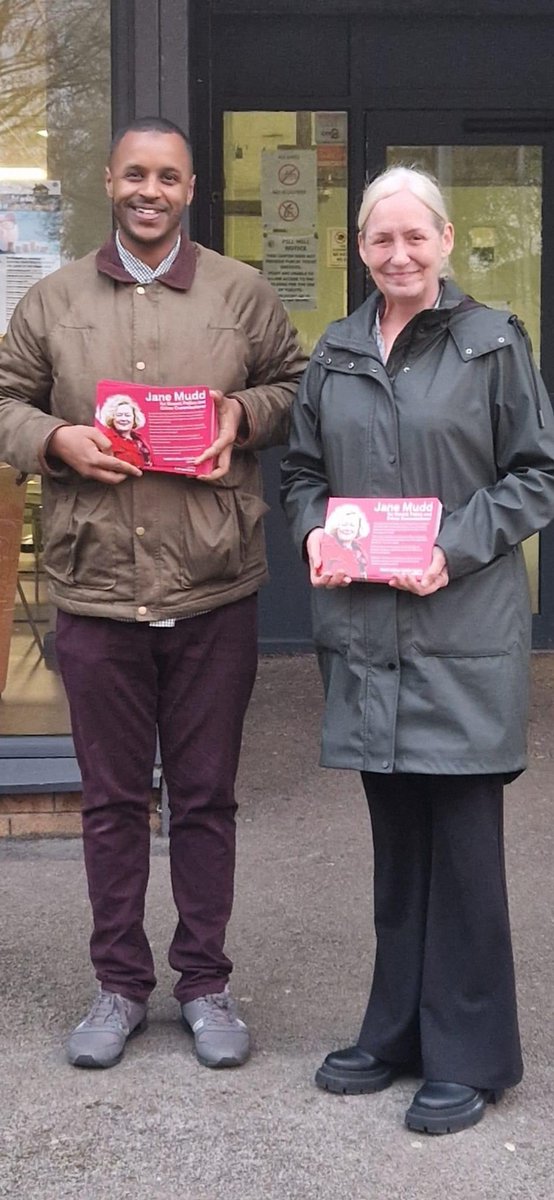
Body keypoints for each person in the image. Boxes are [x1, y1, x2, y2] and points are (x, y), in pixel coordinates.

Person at [0, 116, 306, 1071]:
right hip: (96, 590)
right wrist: (53, 441)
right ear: (108, 180)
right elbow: (4, 397)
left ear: (190, 188)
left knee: (207, 801)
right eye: (134, 174)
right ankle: (119, 986)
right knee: (110, 802)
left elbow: (296, 385)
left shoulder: (241, 292)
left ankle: (206, 984)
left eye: (167, 177)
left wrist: (241, 414)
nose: (149, 190)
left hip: (215, 586)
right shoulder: (51, 300)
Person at [281, 165, 554, 1134]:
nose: (396, 255)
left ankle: (471, 1056)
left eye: (413, 238)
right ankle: (394, 1031)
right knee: (396, 854)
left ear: (443, 241)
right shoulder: (335, 353)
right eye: (378, 240)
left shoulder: (491, 346)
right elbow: (302, 475)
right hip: (366, 640)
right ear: (358, 249)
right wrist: (312, 528)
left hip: (458, 633)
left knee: (465, 856)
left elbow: (534, 478)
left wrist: (454, 546)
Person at [97, 394, 152, 468]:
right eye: (119, 415)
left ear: (134, 418)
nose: (123, 419)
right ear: (112, 417)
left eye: (127, 415)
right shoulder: (105, 439)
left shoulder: (140, 439)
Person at [323, 502, 369, 579]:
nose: (347, 529)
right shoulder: (328, 549)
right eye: (344, 524)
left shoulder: (360, 550)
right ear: (335, 526)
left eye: (352, 525)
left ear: (358, 529)